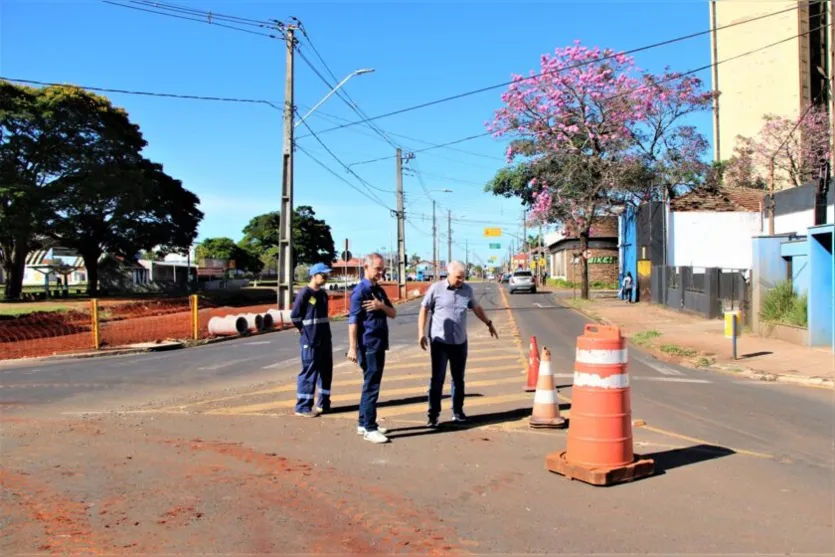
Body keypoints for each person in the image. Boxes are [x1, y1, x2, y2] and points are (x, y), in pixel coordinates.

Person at [417, 260, 499, 428]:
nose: (461, 280)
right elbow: (424, 309)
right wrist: (421, 333)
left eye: (463, 277)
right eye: (458, 277)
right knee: (437, 379)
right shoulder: (436, 288)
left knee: (458, 379)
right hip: (440, 342)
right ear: (449, 273)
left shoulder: (467, 290)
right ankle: (433, 415)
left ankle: (458, 412)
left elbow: (476, 308)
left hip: (460, 342)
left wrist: (489, 323)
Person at [347, 253, 397, 444]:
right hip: (368, 345)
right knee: (372, 386)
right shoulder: (360, 292)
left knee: (370, 384)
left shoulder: (379, 291)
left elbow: (393, 313)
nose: (381, 272)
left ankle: (363, 423)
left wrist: (380, 306)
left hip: (379, 343)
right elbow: (353, 322)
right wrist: (352, 348)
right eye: (377, 268)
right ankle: (370, 428)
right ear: (366, 267)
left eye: (382, 268)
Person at [290, 262, 334, 418]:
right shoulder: (304, 294)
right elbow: (295, 316)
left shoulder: (322, 295)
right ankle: (302, 407)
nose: (326, 278)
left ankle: (324, 403)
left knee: (326, 372)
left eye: (327, 275)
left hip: (324, 339)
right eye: (323, 275)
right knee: (309, 372)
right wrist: (303, 329)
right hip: (310, 340)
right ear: (314, 275)